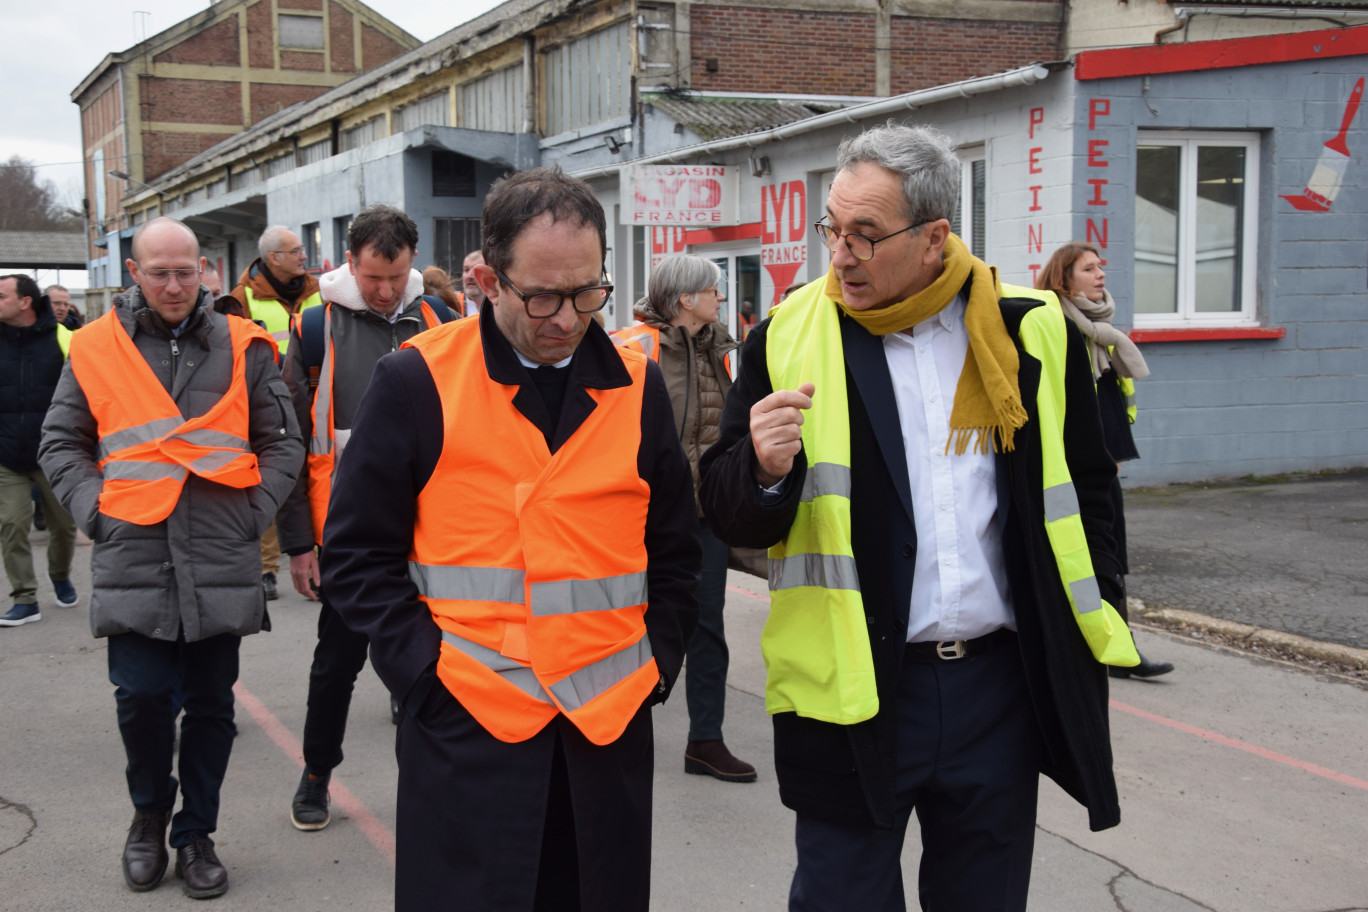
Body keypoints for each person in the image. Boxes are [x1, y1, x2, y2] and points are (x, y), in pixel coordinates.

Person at [698, 124, 1139, 912]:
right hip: (853, 690)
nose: (841, 255)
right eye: (833, 229)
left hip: (998, 690)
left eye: (866, 235)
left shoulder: (1028, 329)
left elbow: (1090, 487)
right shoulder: (789, 336)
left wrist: (1100, 600)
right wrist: (760, 468)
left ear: (934, 237)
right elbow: (728, 511)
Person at [322, 167, 700, 911]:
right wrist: (423, 678)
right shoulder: (416, 382)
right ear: (489, 281)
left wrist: (657, 665)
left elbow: (675, 551)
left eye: (588, 292)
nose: (568, 318)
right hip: (467, 732)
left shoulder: (638, 385)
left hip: (605, 731)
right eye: (544, 296)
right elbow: (357, 556)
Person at [38, 217, 303, 899]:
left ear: (204, 270)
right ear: (134, 273)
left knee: (212, 707)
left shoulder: (244, 344)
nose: (175, 285)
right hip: (134, 551)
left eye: (186, 271)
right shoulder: (96, 346)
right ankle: (149, 815)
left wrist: (252, 514)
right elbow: (61, 442)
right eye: (160, 273)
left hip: (219, 551)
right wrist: (97, 510)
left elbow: (283, 441)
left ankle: (196, 834)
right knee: (143, 699)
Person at [276, 204, 453, 832]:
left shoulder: (441, 318)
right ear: (349, 262)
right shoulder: (315, 327)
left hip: (434, 532)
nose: (384, 290)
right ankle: (316, 772)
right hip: (351, 534)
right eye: (372, 276)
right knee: (337, 664)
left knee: (436, 661)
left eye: (396, 277)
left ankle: (435, 786)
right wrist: (301, 542)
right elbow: (291, 441)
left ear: (413, 263)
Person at [613, 254, 753, 782]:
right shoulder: (631, 347)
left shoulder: (721, 350)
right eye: (713, 290)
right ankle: (615, 726)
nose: (722, 298)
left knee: (707, 625)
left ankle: (706, 740)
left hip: (704, 515)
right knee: (626, 621)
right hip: (639, 517)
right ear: (685, 299)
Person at [1037, 242, 1172, 679]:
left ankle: (1119, 647)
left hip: (1105, 466)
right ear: (1064, 279)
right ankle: (1099, 648)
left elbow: (1114, 400)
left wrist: (1115, 451)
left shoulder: (1102, 331)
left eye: (1101, 267)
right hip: (1069, 471)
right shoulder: (1056, 328)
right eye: (1089, 269)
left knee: (1111, 557)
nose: (1100, 275)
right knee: (1085, 559)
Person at [230, 226, 324, 602]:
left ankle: (316, 560)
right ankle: (267, 568)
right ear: (273, 258)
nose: (304, 256)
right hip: (262, 403)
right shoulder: (243, 298)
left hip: (312, 399)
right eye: (296, 250)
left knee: (310, 480)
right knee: (269, 481)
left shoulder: (319, 292)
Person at [0, 275, 78, 627]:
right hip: (6, 454)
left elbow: (85, 394)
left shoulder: (65, 339)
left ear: (24, 302)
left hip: (54, 453)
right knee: (12, 524)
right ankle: (25, 598)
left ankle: (60, 576)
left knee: (64, 527)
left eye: (1, 296)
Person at [460, 249, 487, 317]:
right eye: (466, 270)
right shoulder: (453, 305)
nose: (469, 276)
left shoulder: (501, 307)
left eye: (476, 270)